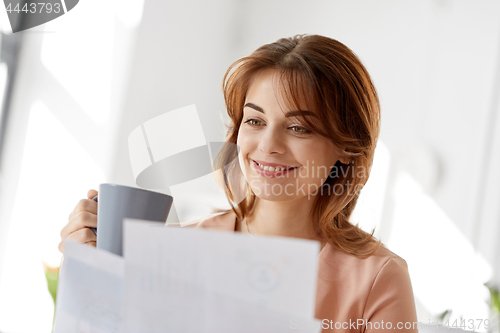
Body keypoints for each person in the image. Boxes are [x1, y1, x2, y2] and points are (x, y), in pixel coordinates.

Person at [59, 34, 418, 332]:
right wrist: (90, 277)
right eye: (255, 121)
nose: (268, 146)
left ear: (346, 147)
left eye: (298, 128)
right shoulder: (174, 250)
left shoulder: (377, 280)